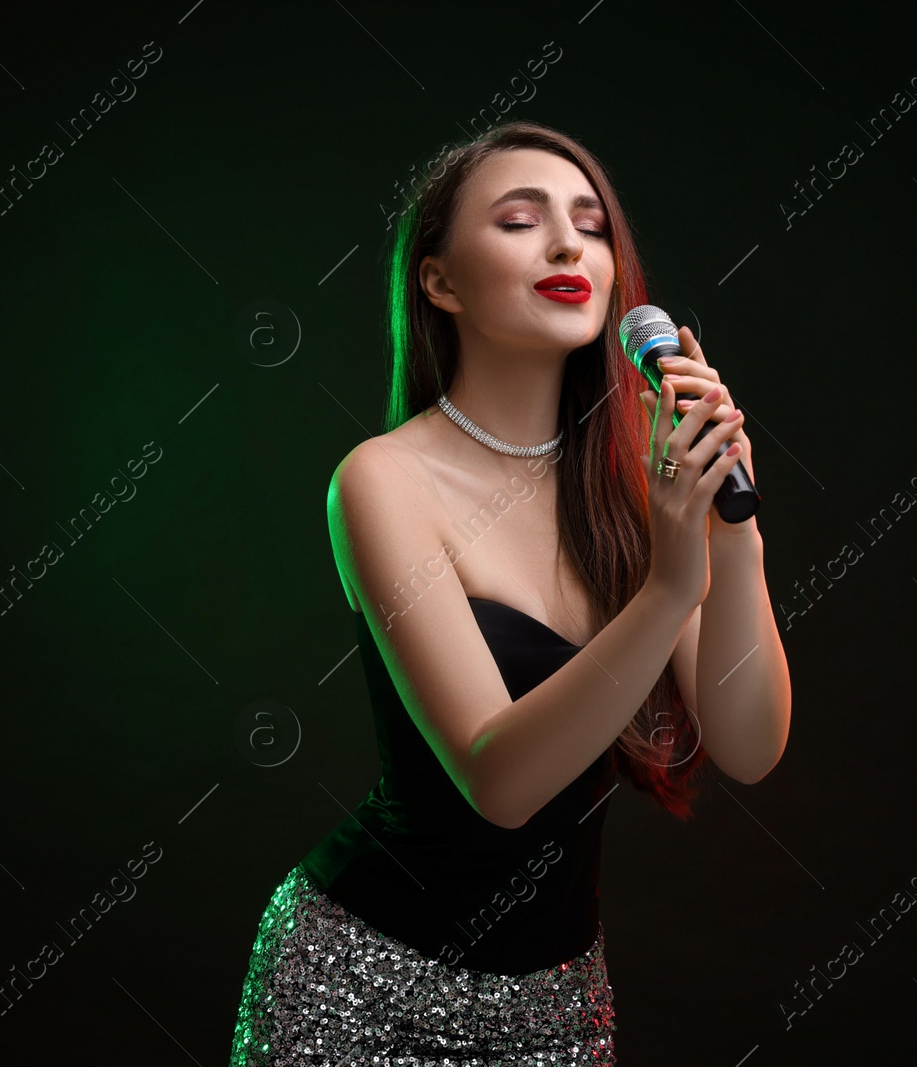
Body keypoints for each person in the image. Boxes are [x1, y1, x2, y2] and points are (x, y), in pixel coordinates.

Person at [230, 121, 791, 1065]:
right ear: (439, 281)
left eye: (591, 224)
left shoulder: (632, 488)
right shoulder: (383, 481)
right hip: (363, 990)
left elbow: (749, 743)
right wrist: (667, 583)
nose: (570, 245)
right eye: (521, 220)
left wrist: (731, 535)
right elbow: (501, 780)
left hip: (557, 1011)